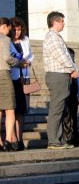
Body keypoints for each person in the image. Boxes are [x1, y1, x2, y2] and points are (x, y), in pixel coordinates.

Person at [43, 11, 79, 149]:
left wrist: (72, 68)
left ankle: (59, 139)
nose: (64, 23)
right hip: (57, 75)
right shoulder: (52, 37)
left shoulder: (57, 37)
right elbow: (61, 56)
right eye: (62, 21)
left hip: (62, 75)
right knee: (57, 108)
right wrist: (72, 68)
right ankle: (53, 140)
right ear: (55, 22)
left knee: (61, 109)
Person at [0, 18, 26, 151]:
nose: (10, 31)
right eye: (9, 29)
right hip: (3, 74)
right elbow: (7, 58)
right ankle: (8, 140)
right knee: (10, 109)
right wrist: (19, 63)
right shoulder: (4, 39)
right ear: (4, 26)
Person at [9, 17, 33, 150]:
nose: (17, 32)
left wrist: (28, 61)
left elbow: (31, 55)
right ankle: (13, 138)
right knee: (12, 110)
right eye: (14, 29)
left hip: (25, 76)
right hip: (13, 77)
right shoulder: (6, 42)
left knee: (22, 111)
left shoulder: (25, 40)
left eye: (19, 29)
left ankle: (20, 138)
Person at [63, 48, 79, 147]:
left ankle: (75, 138)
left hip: (73, 93)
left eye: (73, 56)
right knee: (66, 116)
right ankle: (66, 138)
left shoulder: (76, 68)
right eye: (70, 56)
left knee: (74, 117)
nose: (71, 58)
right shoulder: (63, 67)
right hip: (65, 93)